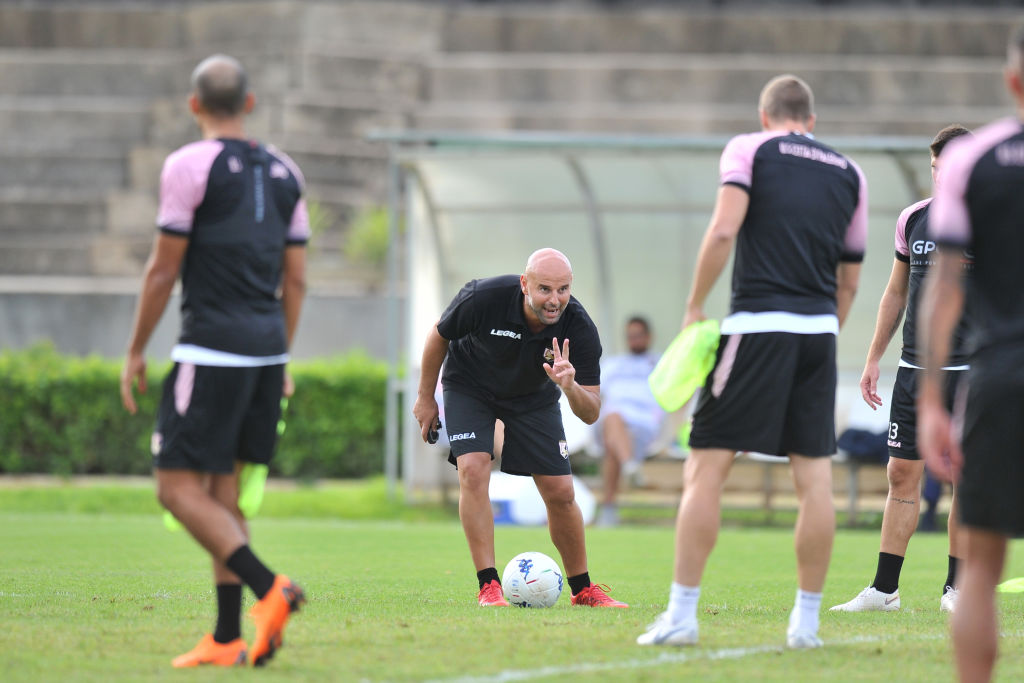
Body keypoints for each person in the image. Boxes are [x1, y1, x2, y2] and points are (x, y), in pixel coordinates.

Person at [637, 74, 867, 649]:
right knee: (814, 480)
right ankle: (806, 626)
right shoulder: (850, 173)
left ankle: (682, 617)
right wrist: (823, 330)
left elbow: (722, 231)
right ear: (810, 121)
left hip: (757, 326)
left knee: (705, 468)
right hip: (819, 334)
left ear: (766, 116)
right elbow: (851, 278)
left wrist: (694, 305)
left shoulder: (749, 148)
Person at [119, 54, 309, 668]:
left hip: (210, 351)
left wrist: (135, 349)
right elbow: (296, 281)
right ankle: (228, 636)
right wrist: (282, 355)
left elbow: (163, 268)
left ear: (194, 105)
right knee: (224, 495)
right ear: (249, 104)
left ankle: (269, 587)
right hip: (265, 354)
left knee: (176, 488)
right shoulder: (286, 171)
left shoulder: (187, 165)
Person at [412, 248, 628, 608]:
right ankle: (489, 586)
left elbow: (590, 413)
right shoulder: (484, 297)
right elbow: (439, 335)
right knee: (473, 468)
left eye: (563, 290)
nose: (554, 300)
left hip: (533, 399)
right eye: (545, 289)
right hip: (470, 387)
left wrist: (570, 386)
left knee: (561, 492)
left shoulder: (579, 329)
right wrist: (425, 398)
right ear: (524, 283)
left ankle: (583, 590)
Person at [918, 25, 1024, 683]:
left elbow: (945, 287)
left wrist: (931, 399)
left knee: (982, 567)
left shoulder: (970, 159)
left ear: (1012, 80)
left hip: (999, 376)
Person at [830, 125, 971, 616]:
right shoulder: (914, 220)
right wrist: (873, 357)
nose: (939, 177)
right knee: (900, 472)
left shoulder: (995, 219)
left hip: (973, 369)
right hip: (914, 370)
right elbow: (896, 292)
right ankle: (884, 589)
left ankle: (958, 590)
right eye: (934, 169)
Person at [597, 316, 665, 527]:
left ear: (648, 336)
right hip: (613, 421)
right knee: (614, 418)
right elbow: (595, 394)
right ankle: (630, 465)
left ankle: (609, 509)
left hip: (646, 426)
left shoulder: (661, 363)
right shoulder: (612, 364)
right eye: (630, 336)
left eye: (638, 335)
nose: (634, 340)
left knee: (612, 441)